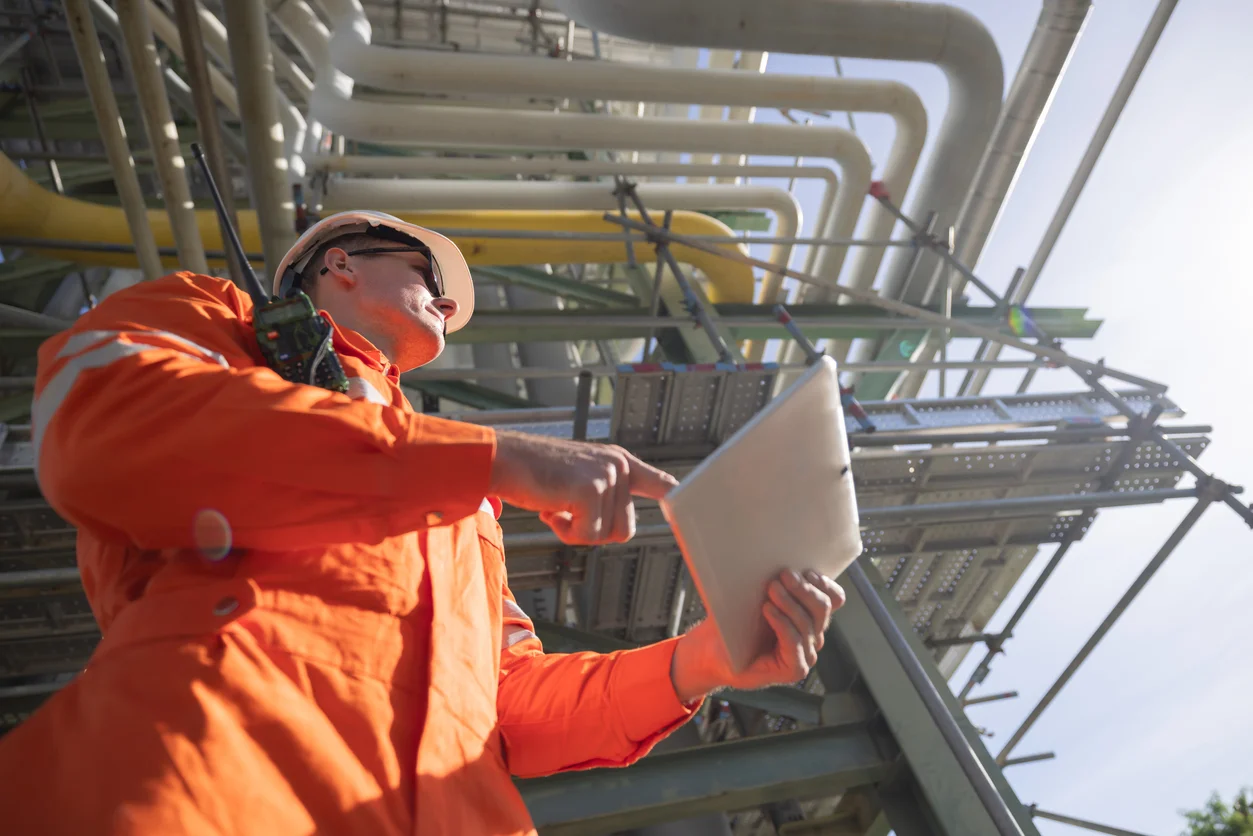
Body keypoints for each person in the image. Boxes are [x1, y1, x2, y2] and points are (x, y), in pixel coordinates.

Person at [0, 212, 846, 834]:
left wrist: (698, 662)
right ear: (341, 263)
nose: (447, 299)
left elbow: (505, 705)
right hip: (214, 775)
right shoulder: (215, 319)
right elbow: (106, 427)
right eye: (427, 274)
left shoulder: (458, 502)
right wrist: (490, 458)